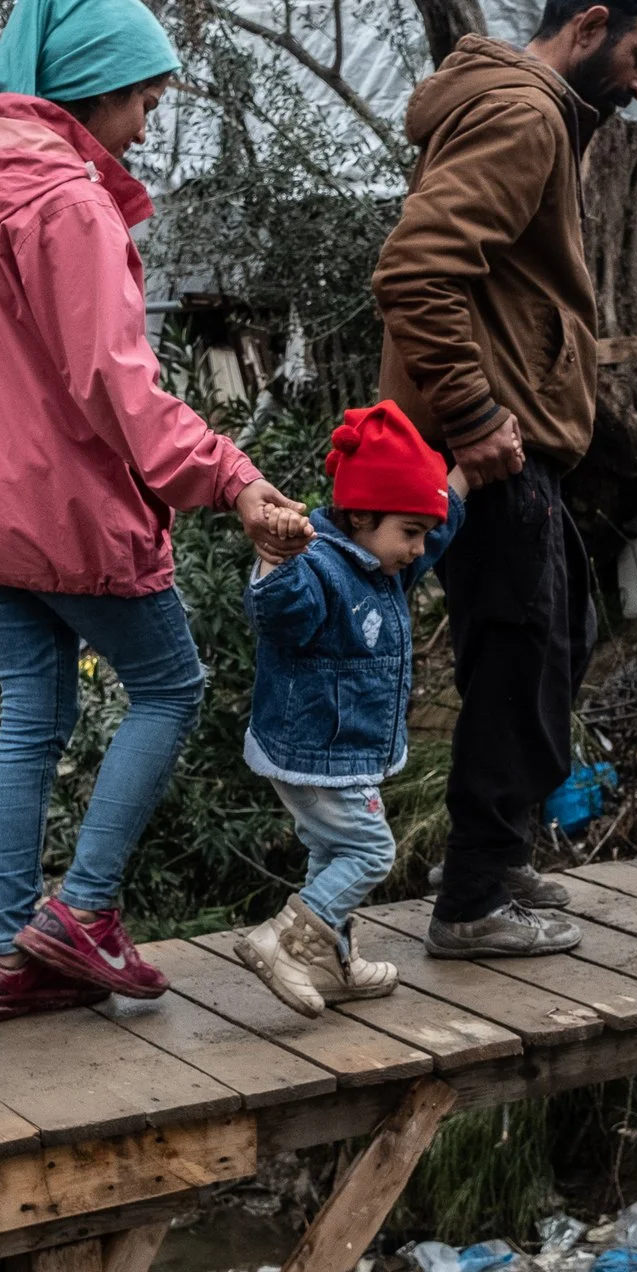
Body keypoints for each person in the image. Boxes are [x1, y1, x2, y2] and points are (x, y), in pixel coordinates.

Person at [0, 0, 315, 1024]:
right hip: (66, 511)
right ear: (89, 89)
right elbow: (115, 384)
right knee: (172, 687)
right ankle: (82, 910)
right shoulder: (68, 203)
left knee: (28, 715)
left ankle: (2, 955)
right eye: (140, 98)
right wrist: (229, 478)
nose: (144, 124)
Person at [373, 0, 637, 958]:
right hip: (489, 450)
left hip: (505, 444)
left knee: (558, 635)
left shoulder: (542, 116)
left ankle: (495, 860)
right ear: (587, 26)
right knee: (523, 654)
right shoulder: (523, 114)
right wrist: (471, 412)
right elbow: (415, 267)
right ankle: (469, 899)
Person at [234, 401, 464, 1016]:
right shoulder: (316, 567)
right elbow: (278, 615)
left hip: (339, 753)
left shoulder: (380, 563)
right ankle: (283, 940)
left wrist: (466, 474)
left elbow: (435, 528)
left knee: (333, 853)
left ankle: (329, 961)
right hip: (315, 752)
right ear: (361, 514)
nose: (418, 549)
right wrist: (275, 560)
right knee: (370, 852)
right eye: (409, 533)